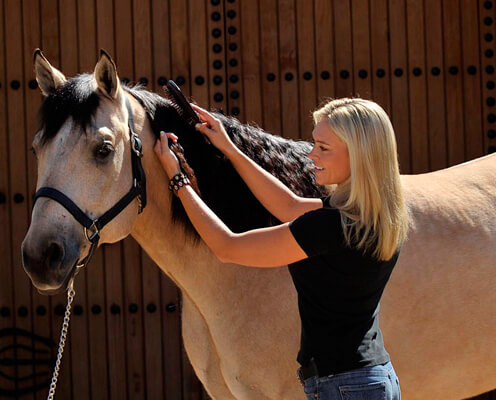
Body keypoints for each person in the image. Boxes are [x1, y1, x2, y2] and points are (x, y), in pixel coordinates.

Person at [154, 98, 408, 400]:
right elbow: (290, 205)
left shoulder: (329, 228)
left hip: (342, 387)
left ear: (361, 156)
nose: (311, 154)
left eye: (323, 148)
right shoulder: (376, 218)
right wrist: (229, 148)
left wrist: (177, 180)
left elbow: (226, 246)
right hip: (374, 378)